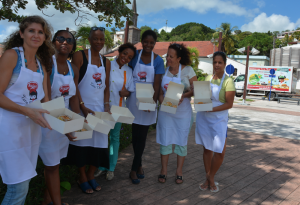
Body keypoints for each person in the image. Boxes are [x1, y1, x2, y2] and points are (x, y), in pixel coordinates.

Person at [0, 15, 54, 205]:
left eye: (41, 32)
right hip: (9, 132)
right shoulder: (11, 56)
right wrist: (27, 111)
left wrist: (68, 123)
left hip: (31, 133)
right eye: (31, 30)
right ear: (21, 33)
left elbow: (45, 103)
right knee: (18, 188)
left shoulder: (41, 65)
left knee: (24, 185)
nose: (36, 35)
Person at [61, 27, 111, 194]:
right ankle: (82, 176)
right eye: (95, 39)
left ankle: (91, 175)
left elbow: (106, 87)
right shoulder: (80, 56)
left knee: (100, 145)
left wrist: (106, 106)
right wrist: (82, 106)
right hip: (82, 108)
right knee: (82, 145)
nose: (99, 42)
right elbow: (73, 83)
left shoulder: (106, 62)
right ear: (89, 40)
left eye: (101, 39)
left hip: (99, 112)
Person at [39, 30, 80, 205]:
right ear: (54, 42)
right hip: (48, 121)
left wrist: (77, 121)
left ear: (73, 46)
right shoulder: (47, 64)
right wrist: (66, 127)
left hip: (64, 119)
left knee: (56, 164)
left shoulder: (74, 69)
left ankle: (47, 201)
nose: (65, 42)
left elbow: (73, 97)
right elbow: (46, 101)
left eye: (69, 40)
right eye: (61, 39)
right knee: (51, 166)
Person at [126, 30, 165, 184]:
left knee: (142, 137)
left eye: (151, 42)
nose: (148, 45)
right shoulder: (134, 55)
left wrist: (152, 103)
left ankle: (133, 169)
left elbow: (156, 83)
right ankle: (140, 164)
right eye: (146, 42)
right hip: (134, 101)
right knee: (135, 137)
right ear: (141, 41)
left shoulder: (158, 60)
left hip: (148, 102)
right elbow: (126, 71)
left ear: (154, 43)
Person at [156, 43, 197, 184]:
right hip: (166, 112)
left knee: (181, 141)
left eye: (171, 56)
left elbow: (196, 89)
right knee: (165, 140)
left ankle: (179, 171)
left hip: (183, 112)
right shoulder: (164, 72)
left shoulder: (188, 71)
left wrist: (183, 96)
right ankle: (164, 170)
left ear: (179, 58)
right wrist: (164, 103)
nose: (168, 58)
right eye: (167, 55)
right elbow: (160, 93)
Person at [95, 43, 136, 180]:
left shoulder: (129, 71)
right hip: (103, 107)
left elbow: (130, 90)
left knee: (115, 138)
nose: (126, 58)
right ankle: (101, 166)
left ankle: (111, 167)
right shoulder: (107, 65)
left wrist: (126, 92)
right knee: (101, 137)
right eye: (125, 54)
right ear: (119, 52)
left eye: (130, 57)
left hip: (118, 108)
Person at [196, 51, 235, 192]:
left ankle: (210, 177)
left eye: (220, 62)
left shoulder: (228, 81)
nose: (217, 65)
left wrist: (211, 108)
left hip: (219, 119)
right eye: (215, 62)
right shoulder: (208, 77)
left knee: (220, 152)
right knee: (207, 148)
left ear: (224, 64)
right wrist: (199, 100)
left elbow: (229, 104)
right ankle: (209, 177)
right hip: (205, 118)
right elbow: (202, 96)